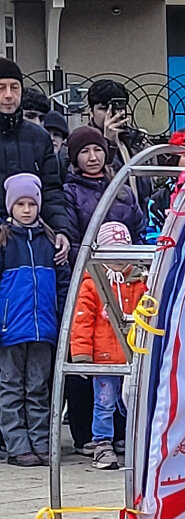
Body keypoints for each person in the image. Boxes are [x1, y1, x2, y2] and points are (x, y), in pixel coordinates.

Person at [0, 174, 69, 467]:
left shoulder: (52, 241)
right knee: (11, 387)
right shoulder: (4, 242)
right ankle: (17, 444)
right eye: (20, 204)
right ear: (10, 206)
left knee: (39, 388)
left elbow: (64, 283)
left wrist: (62, 317)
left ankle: (40, 442)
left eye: (31, 203)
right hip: (10, 330)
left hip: (44, 329)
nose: (26, 209)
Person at [69, 222, 147, 470]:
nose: (117, 259)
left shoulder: (140, 281)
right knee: (104, 401)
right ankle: (102, 442)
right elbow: (81, 320)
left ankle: (126, 437)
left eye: (122, 253)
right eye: (111, 253)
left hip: (133, 356)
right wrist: (81, 355)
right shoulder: (92, 284)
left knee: (131, 400)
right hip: (104, 357)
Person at [0, 59, 69, 261]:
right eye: (1, 87)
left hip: (33, 237)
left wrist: (60, 229)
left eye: (14, 87)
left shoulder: (39, 137)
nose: (8, 95)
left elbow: (51, 189)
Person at [61, 126, 146, 251]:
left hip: (127, 265)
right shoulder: (70, 193)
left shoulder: (124, 191)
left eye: (98, 150)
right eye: (85, 151)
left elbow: (139, 233)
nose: (93, 157)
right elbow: (74, 243)